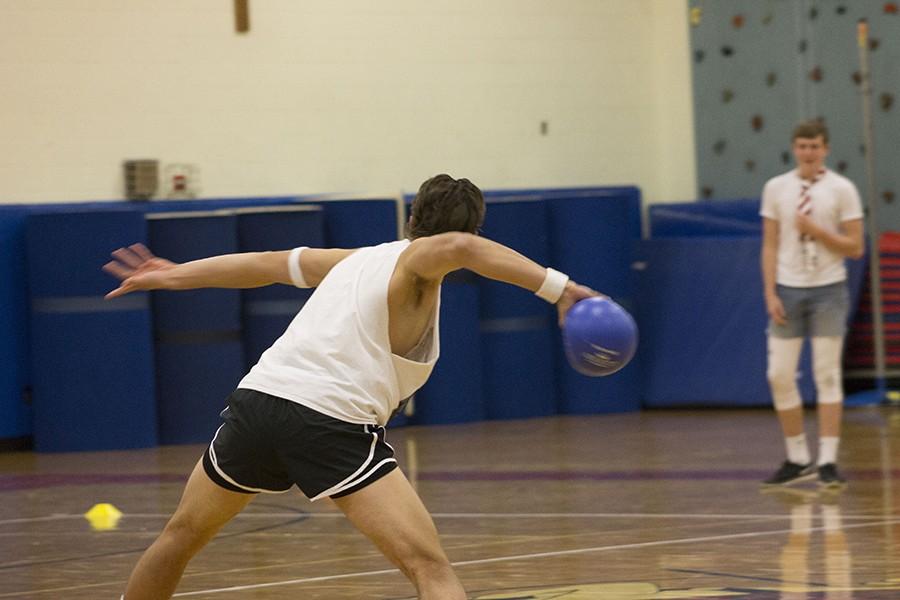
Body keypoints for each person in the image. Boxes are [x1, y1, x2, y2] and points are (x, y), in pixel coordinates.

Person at [103, 174, 598, 600]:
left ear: (410, 218)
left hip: (257, 403)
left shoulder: (356, 260)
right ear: (474, 230)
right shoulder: (421, 263)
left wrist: (175, 275)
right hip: (327, 420)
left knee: (182, 534)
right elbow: (460, 247)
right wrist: (562, 289)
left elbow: (266, 263)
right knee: (430, 569)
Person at [760, 121, 864, 489]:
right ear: (794, 148)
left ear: (826, 149)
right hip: (788, 289)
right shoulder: (776, 188)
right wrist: (770, 293)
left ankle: (829, 461)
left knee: (827, 374)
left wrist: (818, 232)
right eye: (802, 145)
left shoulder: (842, 189)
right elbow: (770, 244)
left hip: (828, 290)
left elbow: (856, 247)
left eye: (814, 146)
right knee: (779, 374)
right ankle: (797, 456)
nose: (808, 152)